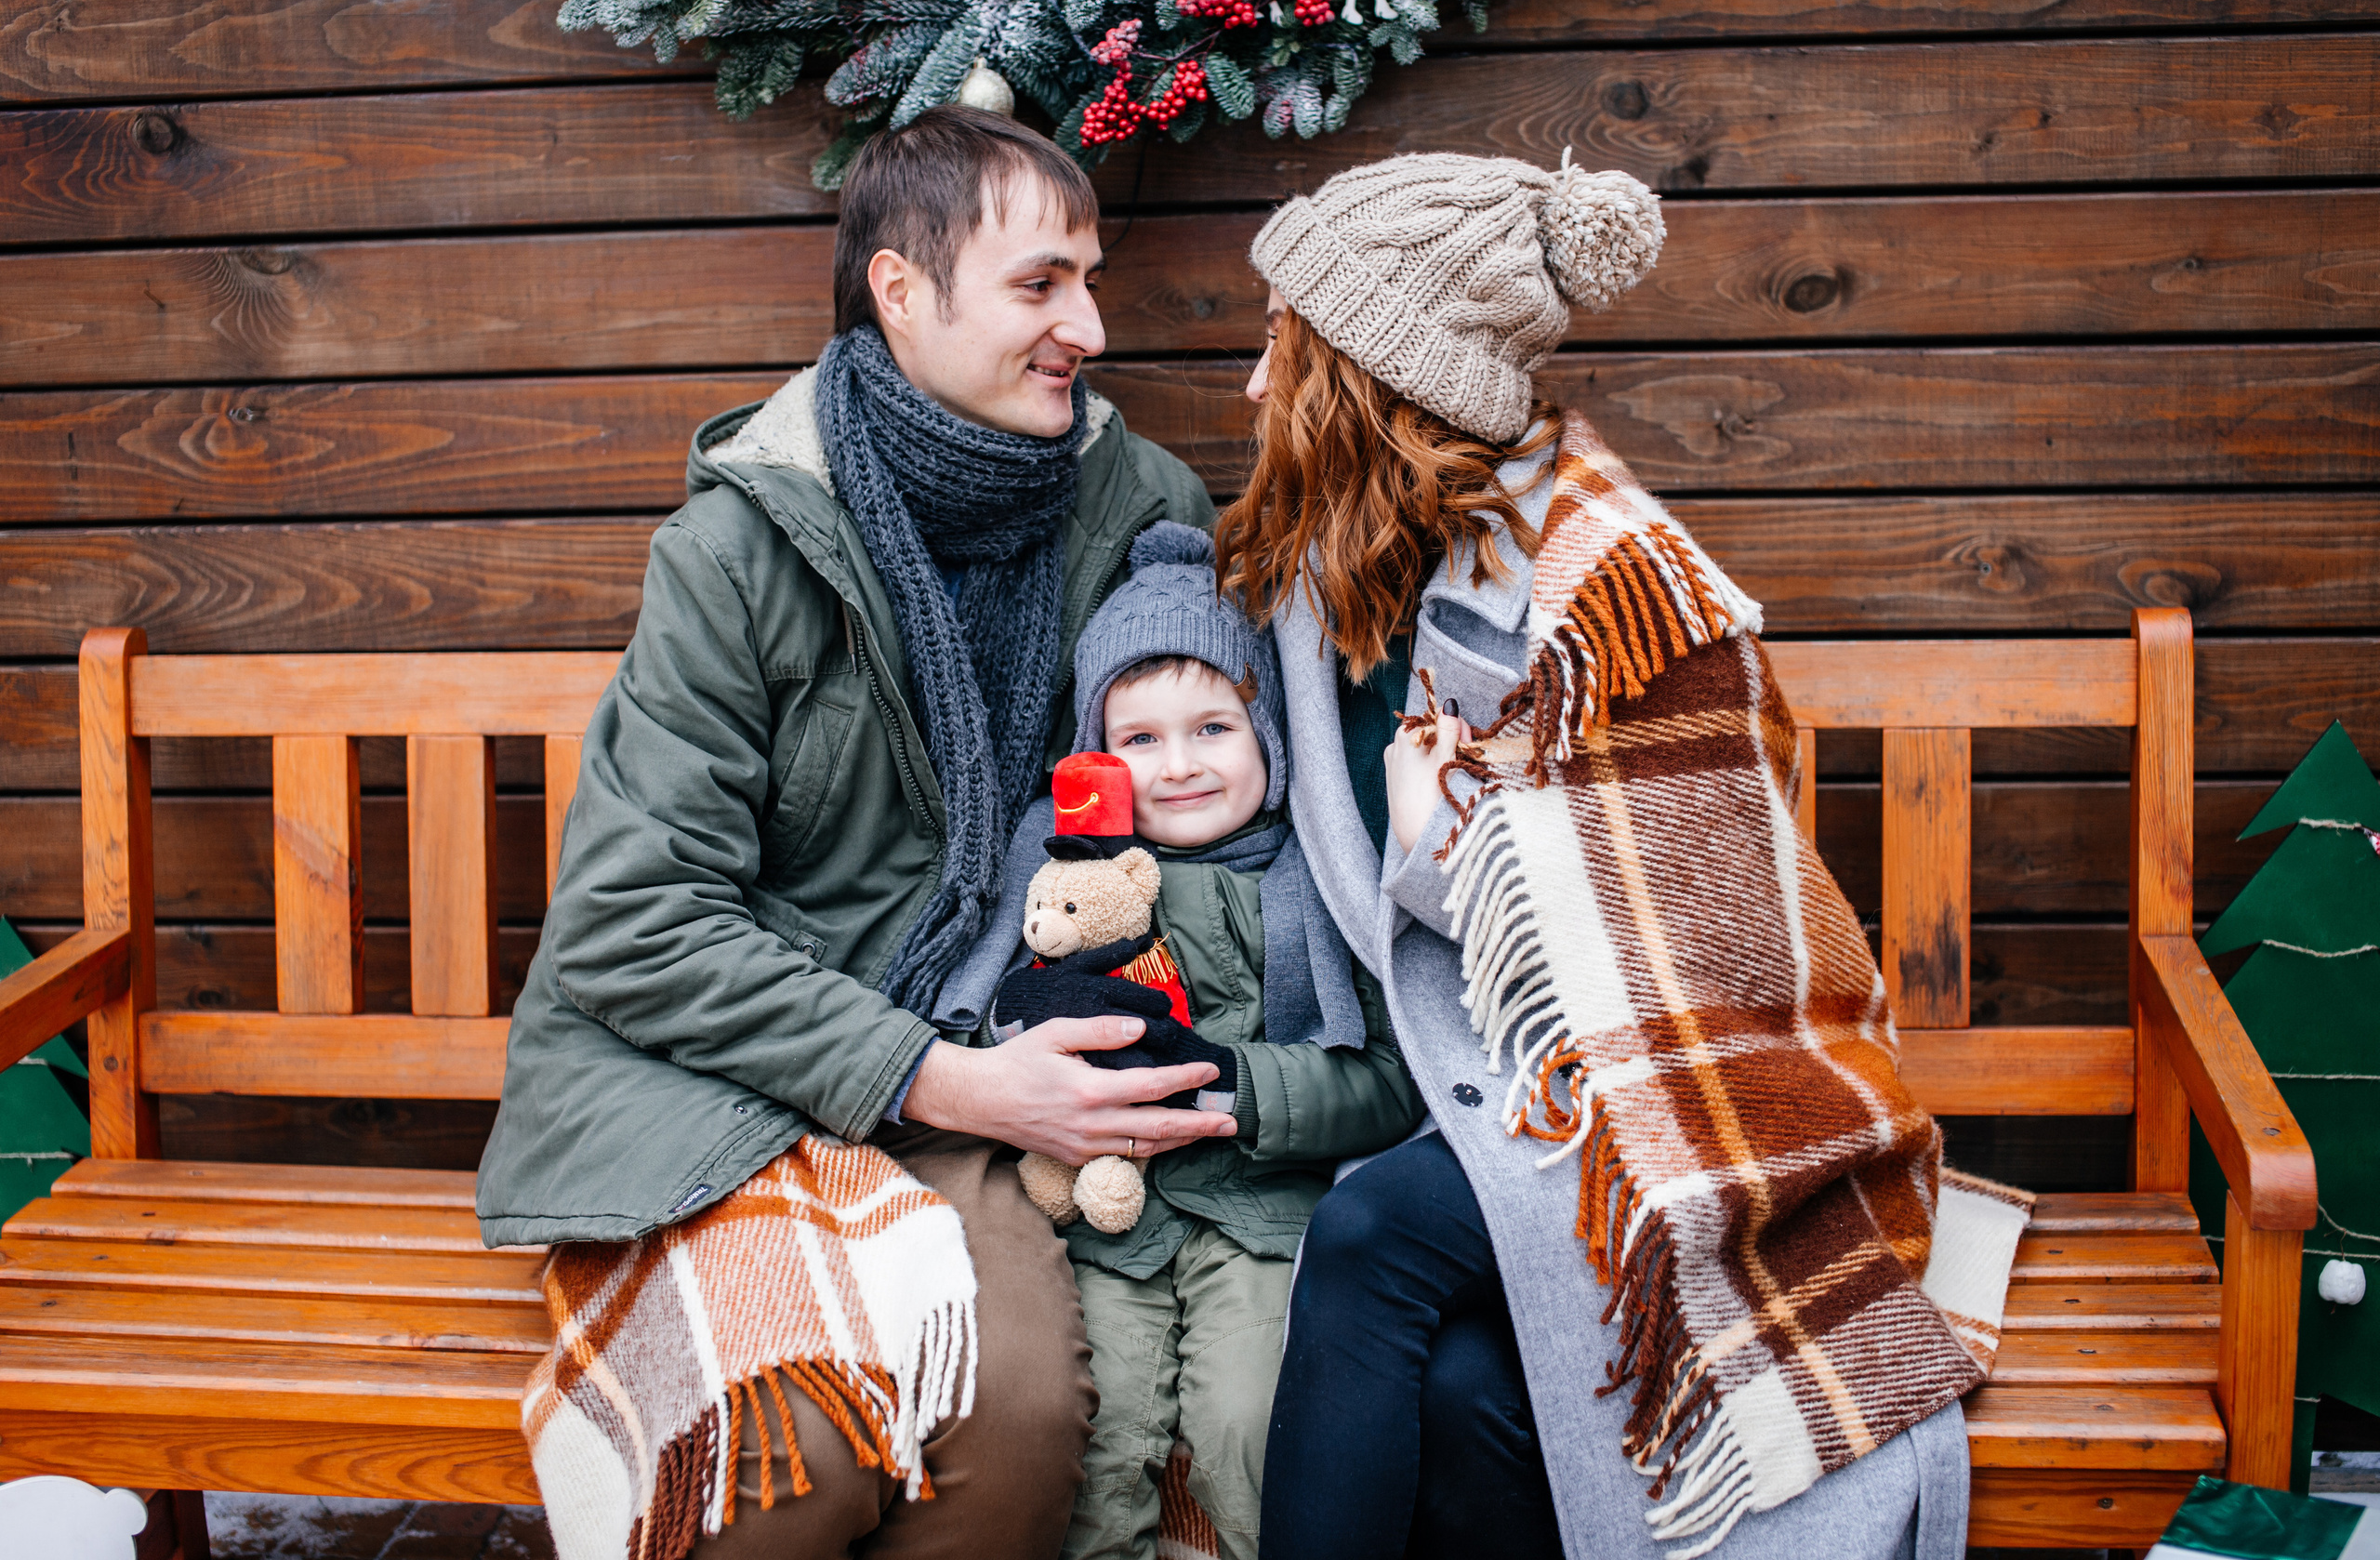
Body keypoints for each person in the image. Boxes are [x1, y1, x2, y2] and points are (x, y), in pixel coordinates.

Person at [476, 107, 1232, 1559]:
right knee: (791, 1452)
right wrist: (944, 1080)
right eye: (1039, 284)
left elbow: (1203, 799)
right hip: (710, 1087)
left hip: (980, 1052)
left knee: (1010, 1426)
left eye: (1091, 278)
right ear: (901, 290)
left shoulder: (1140, 512)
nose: (1086, 323)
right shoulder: (743, 547)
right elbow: (637, 922)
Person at [1222, 153, 1988, 1560]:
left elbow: (1700, 957)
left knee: (1373, 1237)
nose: (1256, 390)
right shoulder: (1334, 571)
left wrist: (1438, 835)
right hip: (1482, 1088)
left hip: (1690, 1092)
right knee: (1458, 1391)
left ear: (1370, 370)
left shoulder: (1618, 602)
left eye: (1281, 342)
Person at [936, 523, 1423, 1560]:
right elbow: (992, 1011)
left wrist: (1237, 1091)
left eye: (1214, 729)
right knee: (1096, 1439)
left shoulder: (1317, 879)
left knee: (1248, 1428)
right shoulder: (1063, 877)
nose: (1181, 766)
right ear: (1094, 764)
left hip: (1261, 1215)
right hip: (1105, 1223)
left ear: (1271, 741)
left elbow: (1388, 1081)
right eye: (1141, 741)